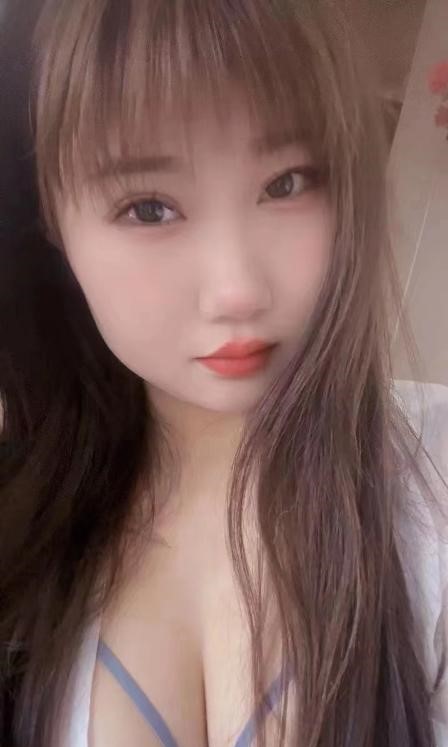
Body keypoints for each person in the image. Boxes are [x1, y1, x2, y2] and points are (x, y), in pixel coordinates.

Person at [0, 0, 447, 745]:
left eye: (287, 183)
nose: (237, 289)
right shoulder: (22, 520)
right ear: (48, 216)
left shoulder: (432, 475)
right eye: (149, 209)